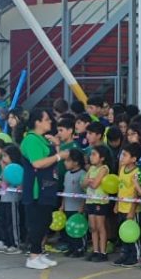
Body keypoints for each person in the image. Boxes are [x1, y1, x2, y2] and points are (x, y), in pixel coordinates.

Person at [20, 109, 69, 270]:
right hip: (36, 188)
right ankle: (33, 256)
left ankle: (39, 253)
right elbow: (37, 163)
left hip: (48, 185)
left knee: (45, 220)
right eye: (47, 119)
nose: (50, 122)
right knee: (37, 222)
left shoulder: (43, 139)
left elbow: (52, 160)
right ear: (37, 122)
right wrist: (59, 156)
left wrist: (56, 146)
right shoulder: (31, 139)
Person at [83, 146, 110, 262]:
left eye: (94, 154)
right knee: (93, 227)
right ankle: (95, 250)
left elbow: (95, 184)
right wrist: (89, 181)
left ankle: (103, 252)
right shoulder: (91, 168)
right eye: (91, 154)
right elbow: (82, 184)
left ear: (102, 158)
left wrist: (89, 181)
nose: (91, 157)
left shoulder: (104, 168)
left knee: (100, 226)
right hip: (90, 200)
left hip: (100, 201)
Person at [58, 148, 87, 258]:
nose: (65, 163)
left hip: (77, 207)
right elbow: (65, 191)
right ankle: (71, 247)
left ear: (76, 162)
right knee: (69, 228)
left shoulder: (82, 174)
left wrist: (82, 206)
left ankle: (80, 248)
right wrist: (62, 205)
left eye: (68, 160)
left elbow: (85, 193)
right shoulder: (67, 174)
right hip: (68, 206)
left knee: (79, 228)